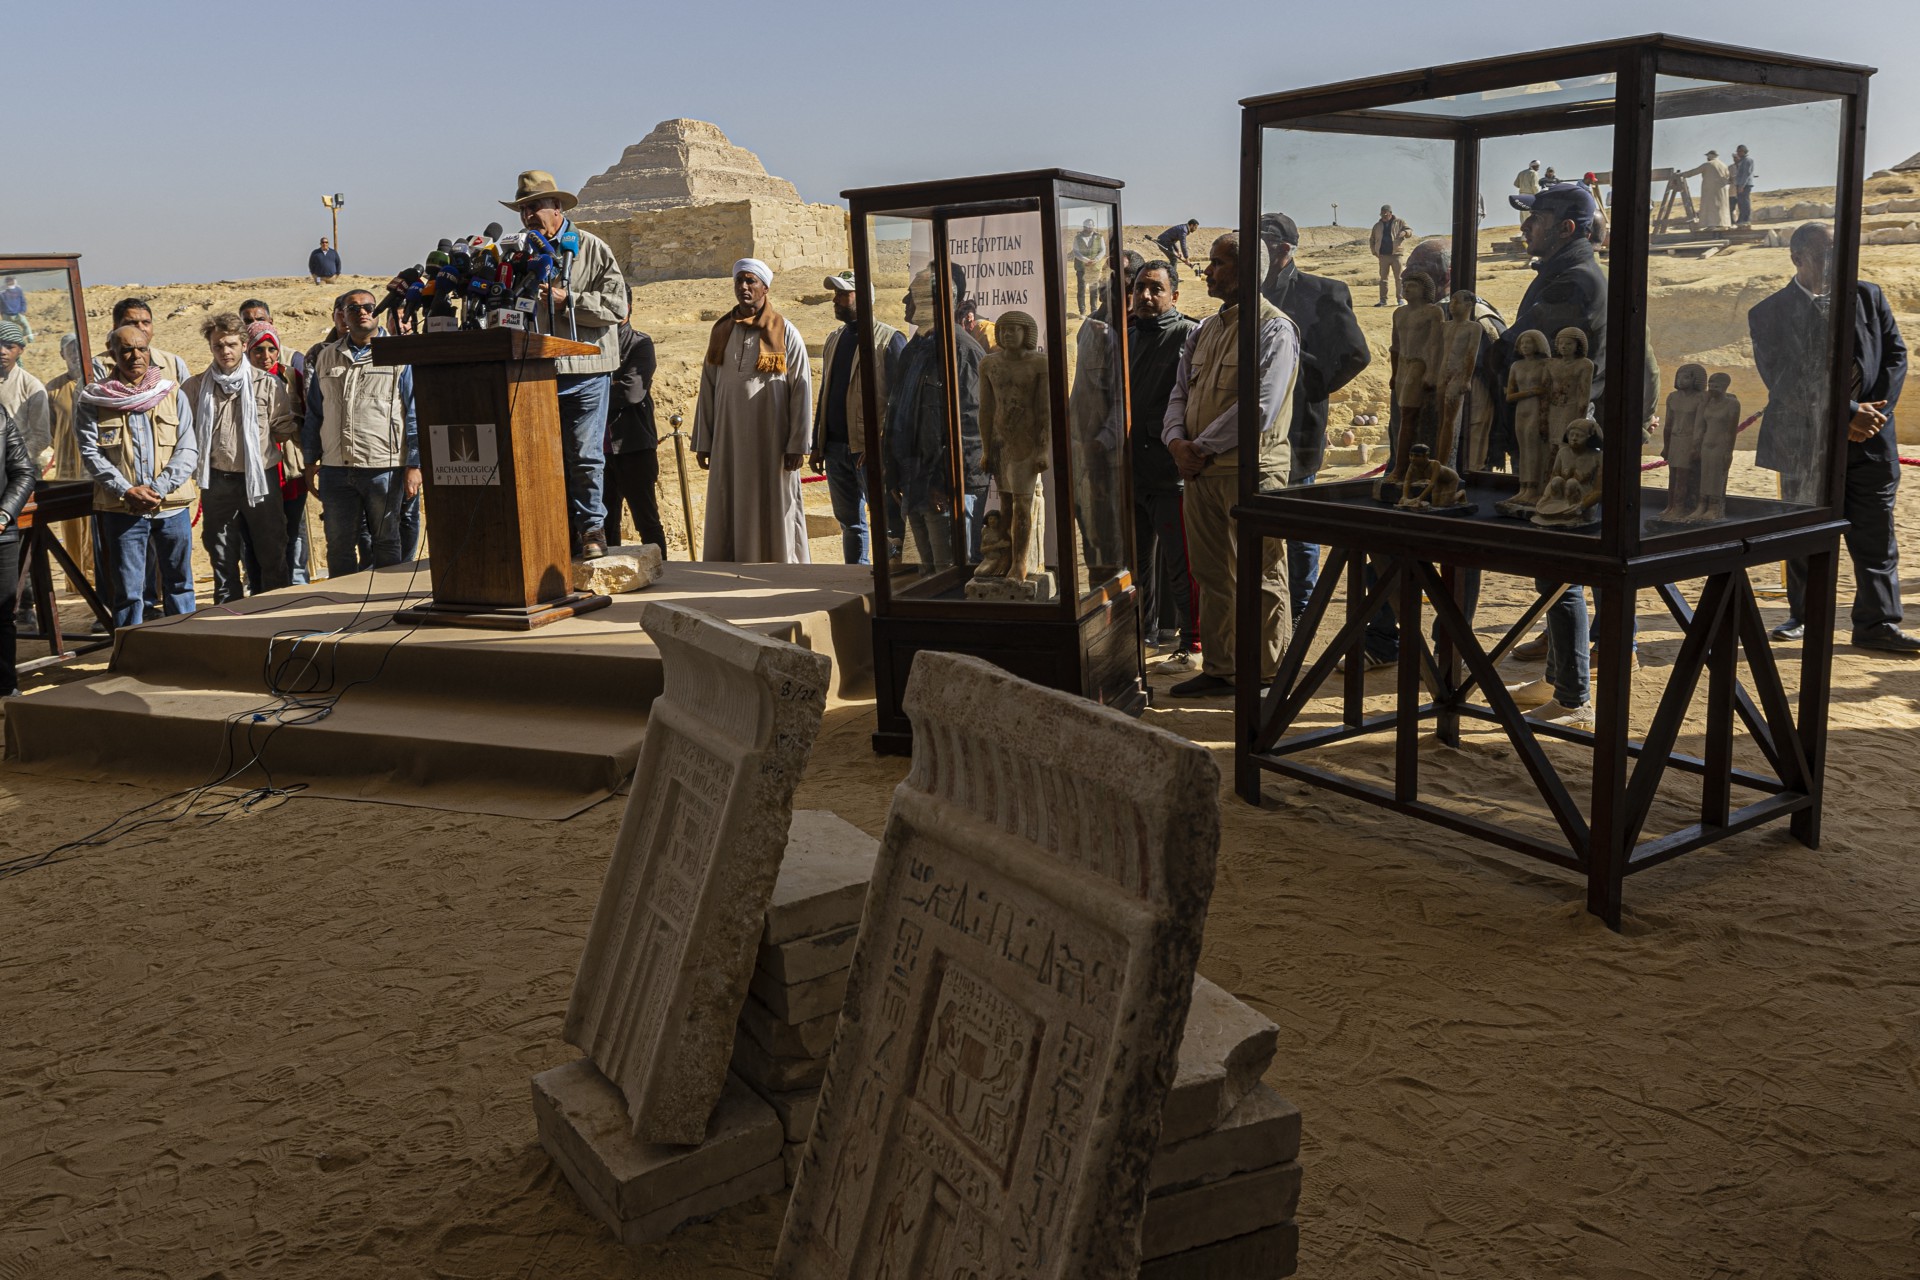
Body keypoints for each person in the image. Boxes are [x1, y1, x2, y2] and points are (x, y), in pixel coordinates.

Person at [1750, 222, 1917, 652]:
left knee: (1876, 536)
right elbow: (1783, 381)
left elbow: (1896, 355)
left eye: (1840, 253)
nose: (1835, 263)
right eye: (1825, 254)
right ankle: (1804, 616)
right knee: (1804, 536)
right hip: (1805, 445)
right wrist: (1846, 414)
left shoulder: (1868, 295)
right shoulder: (1768, 313)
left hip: (1872, 441)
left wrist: (1872, 413)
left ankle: (1877, 623)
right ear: (1797, 258)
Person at [1162, 233, 1300, 698]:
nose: (1208, 271)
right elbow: (1180, 392)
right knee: (1213, 573)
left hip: (1249, 473)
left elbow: (1261, 406)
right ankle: (1222, 668)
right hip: (1200, 474)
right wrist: (1176, 441)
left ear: (1243, 271)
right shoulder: (1204, 329)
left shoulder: (1274, 330)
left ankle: (1263, 673)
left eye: (1218, 264)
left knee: (1259, 574)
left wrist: (1199, 446)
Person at [1501, 181, 1609, 722]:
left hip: (1565, 444)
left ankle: (1571, 695)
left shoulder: (1574, 283)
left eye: (1536, 219)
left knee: (1559, 570)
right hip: (1555, 436)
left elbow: (1523, 343)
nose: (1526, 227)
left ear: (1567, 228)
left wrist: (1490, 333)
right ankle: (1559, 678)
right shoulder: (1566, 274)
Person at [501, 170, 630, 559]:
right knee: (541, 458)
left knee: (585, 455)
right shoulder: (518, 253)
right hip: (536, 371)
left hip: (586, 371)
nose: (528, 216)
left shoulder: (591, 248)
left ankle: (591, 531)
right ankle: (552, 532)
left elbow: (618, 307)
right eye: (523, 209)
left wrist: (568, 301)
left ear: (557, 207)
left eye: (535, 206)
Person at [1259, 211, 1370, 616]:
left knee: (1299, 522)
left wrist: (1312, 385)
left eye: (1265, 242)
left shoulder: (1324, 292)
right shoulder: (1251, 292)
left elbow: (1357, 355)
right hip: (1254, 427)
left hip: (1300, 425)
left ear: (1284, 249)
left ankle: (1302, 609)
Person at [74, 325, 200, 627]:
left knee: (180, 586)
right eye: (126, 350)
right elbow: (91, 453)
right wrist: (126, 490)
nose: (135, 356)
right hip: (122, 509)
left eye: (141, 349)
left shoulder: (171, 393)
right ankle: (132, 658)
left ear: (149, 350)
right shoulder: (95, 399)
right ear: (112, 353)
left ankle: (189, 651)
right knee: (128, 593)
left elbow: (188, 449)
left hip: (171, 507)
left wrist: (157, 488)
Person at [692, 258, 812, 563]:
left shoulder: (786, 333)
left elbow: (801, 389)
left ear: (765, 287)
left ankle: (781, 567)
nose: (743, 287)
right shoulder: (721, 331)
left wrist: (797, 443)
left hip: (770, 443)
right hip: (729, 442)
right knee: (729, 501)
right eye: (739, 282)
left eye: (750, 281)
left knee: (773, 504)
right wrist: (704, 441)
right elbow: (708, 386)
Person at [301, 289, 420, 578]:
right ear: (342, 314)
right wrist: (310, 460)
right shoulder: (326, 356)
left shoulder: (400, 354)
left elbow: (415, 413)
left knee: (386, 542)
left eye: (368, 307)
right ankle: (340, 608)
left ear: (376, 312)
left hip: (384, 467)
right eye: (353, 308)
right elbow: (315, 413)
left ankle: (386, 605)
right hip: (335, 468)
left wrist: (415, 465)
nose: (362, 312)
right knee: (339, 545)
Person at [183, 314, 293, 603]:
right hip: (217, 481)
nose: (225, 352)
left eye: (231, 344)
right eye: (218, 346)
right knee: (221, 554)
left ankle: (277, 613)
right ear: (210, 347)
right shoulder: (195, 388)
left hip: (261, 481)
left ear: (244, 345)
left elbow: (282, 430)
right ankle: (228, 618)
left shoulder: (268, 385)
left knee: (271, 550)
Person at [887, 267, 985, 572]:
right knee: (927, 580)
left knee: (951, 577)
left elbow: (971, 427)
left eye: (914, 295)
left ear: (936, 301)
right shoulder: (915, 349)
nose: (905, 301)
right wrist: (892, 470)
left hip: (944, 489)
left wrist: (947, 482)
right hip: (915, 482)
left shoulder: (963, 352)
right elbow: (898, 412)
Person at [1128, 261, 1200, 666]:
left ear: (1174, 295)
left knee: (1182, 565)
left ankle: (1192, 644)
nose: (1147, 296)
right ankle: (1140, 636)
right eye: (1140, 288)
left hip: (1170, 471)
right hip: (1130, 472)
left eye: (1156, 289)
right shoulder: (1126, 337)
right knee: (1136, 566)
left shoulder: (1189, 334)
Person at [811, 272, 903, 565]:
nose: (835, 300)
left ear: (862, 298)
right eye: (835, 294)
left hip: (868, 449)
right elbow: (826, 392)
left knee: (886, 519)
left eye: (842, 294)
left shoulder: (889, 339)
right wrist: (818, 442)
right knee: (849, 522)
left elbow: (900, 400)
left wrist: (881, 442)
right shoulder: (834, 339)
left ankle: (890, 581)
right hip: (837, 448)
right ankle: (855, 579)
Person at [245, 320, 313, 586]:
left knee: (293, 531)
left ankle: (295, 585)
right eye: (258, 350)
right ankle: (260, 588)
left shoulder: (291, 377)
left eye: (271, 349)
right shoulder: (239, 381)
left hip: (290, 467)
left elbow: (308, 419)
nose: (265, 356)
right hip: (257, 468)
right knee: (258, 534)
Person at [603, 320, 666, 552]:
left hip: (634, 446)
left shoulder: (640, 343)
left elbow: (632, 392)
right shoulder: (591, 340)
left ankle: (663, 574)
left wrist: (593, 392)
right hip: (598, 452)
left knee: (647, 522)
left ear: (627, 309)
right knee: (605, 526)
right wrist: (612, 385)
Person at [0, 405, 32, 694]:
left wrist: (3, 515)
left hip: (1, 535)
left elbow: (23, 472)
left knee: (3, 613)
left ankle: (5, 687)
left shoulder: (1, 417)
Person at [91, 298, 189, 382]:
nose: (141, 328)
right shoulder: (99, 366)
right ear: (116, 327)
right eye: (132, 323)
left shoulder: (173, 363)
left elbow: (190, 401)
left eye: (146, 322)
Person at [1367, 205, 1413, 306]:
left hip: (1396, 255)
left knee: (1399, 278)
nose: (1384, 216)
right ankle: (1383, 300)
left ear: (1390, 213)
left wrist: (1405, 232)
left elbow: (1410, 231)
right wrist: (1374, 251)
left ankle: (1400, 299)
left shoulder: (1399, 222)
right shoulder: (1377, 225)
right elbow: (1372, 239)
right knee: (1383, 279)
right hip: (1383, 256)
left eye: (1386, 214)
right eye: (1382, 214)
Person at [1685, 150, 1732, 230]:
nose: (1707, 158)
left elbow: (1694, 172)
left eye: (1708, 156)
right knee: (1721, 207)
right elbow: (1728, 177)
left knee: (1711, 206)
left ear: (1710, 156)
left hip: (1710, 189)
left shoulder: (1707, 164)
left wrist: (1682, 175)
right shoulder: (1724, 165)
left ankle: (1712, 225)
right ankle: (1723, 225)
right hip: (1722, 190)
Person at [1070, 218, 1107, 316]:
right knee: (1081, 289)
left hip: (1094, 267)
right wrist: (1085, 260)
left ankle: (1094, 311)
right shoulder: (1078, 238)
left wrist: (1096, 259)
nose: (1089, 229)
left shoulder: (1099, 237)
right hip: (1081, 267)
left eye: (1091, 227)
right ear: (1084, 227)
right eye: (1087, 227)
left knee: (1094, 290)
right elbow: (1076, 251)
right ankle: (1082, 311)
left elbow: (1103, 250)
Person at [1154, 219, 1201, 286]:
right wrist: (1186, 258)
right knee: (1173, 259)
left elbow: (1173, 239)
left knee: (1174, 258)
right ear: (1191, 225)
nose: (1195, 229)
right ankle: (1172, 278)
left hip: (1167, 242)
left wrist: (1177, 251)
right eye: (1195, 227)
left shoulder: (1183, 228)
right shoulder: (1184, 230)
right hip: (1163, 242)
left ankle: (1171, 277)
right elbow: (1183, 245)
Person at [1730, 145, 1756, 227]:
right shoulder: (1742, 161)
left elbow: (1746, 174)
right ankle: (1742, 219)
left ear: (1743, 151)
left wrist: (1742, 185)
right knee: (1741, 203)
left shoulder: (1747, 160)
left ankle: (1746, 219)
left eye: (1739, 151)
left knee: (1744, 202)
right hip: (1740, 184)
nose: (1738, 153)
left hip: (1744, 185)